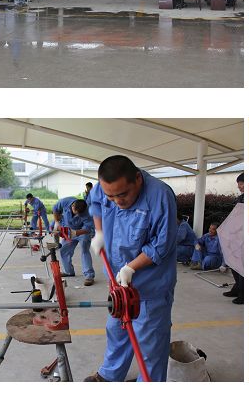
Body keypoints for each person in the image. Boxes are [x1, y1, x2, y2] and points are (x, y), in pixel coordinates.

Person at [85, 155, 176, 382]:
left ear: (137, 179)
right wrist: (99, 232)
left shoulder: (160, 196)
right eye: (111, 196)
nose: (117, 201)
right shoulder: (105, 187)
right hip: (117, 283)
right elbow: (95, 204)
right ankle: (110, 376)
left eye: (123, 194)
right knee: (116, 329)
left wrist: (131, 268)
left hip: (149, 286)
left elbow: (161, 244)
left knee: (150, 344)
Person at [53, 197, 95, 286]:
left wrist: (76, 233)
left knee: (85, 250)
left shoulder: (88, 211)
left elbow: (88, 227)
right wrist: (57, 222)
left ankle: (89, 276)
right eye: (75, 212)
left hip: (82, 232)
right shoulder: (65, 202)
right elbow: (55, 209)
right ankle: (69, 272)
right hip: (69, 230)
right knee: (64, 250)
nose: (76, 215)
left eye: (79, 214)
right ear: (72, 206)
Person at [223, 173, 244, 304]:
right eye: (238, 184)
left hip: (242, 236)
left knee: (242, 266)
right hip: (235, 235)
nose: (239, 186)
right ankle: (237, 288)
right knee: (234, 263)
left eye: (241, 183)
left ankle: (243, 293)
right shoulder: (240, 198)